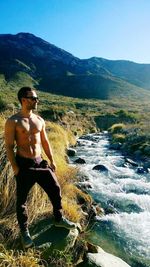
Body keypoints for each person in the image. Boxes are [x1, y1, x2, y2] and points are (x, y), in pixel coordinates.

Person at [5, 86, 76, 248]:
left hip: (40, 162)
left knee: (55, 189)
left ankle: (59, 219)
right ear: (23, 100)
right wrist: (15, 167)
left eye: (36, 98)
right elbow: (9, 146)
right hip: (24, 165)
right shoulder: (13, 121)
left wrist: (51, 160)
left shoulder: (39, 120)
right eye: (33, 98)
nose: (36, 100)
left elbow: (44, 141)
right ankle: (25, 233)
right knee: (21, 201)